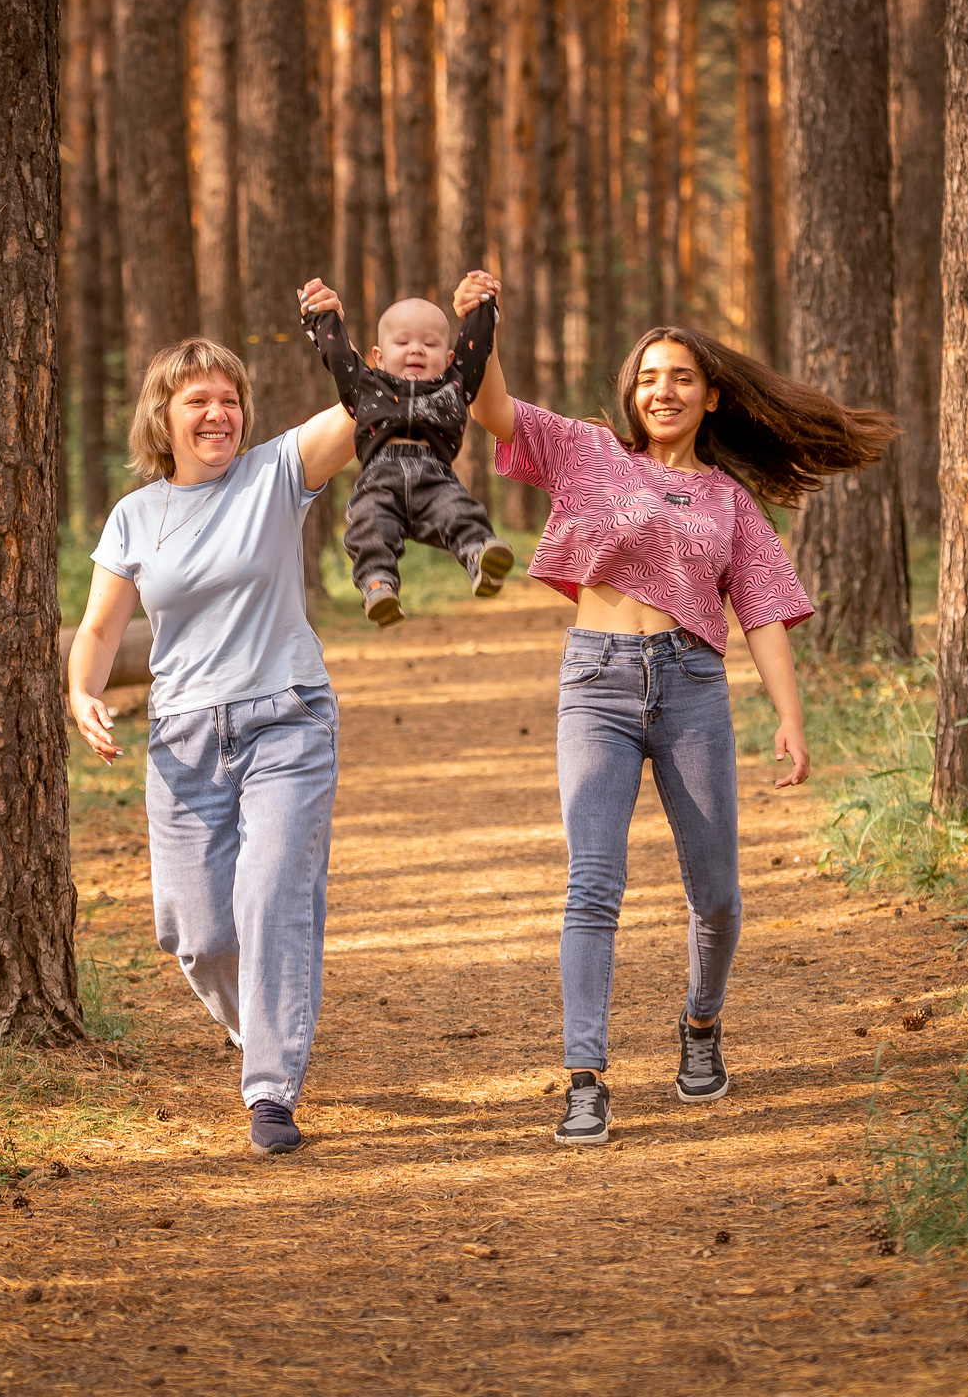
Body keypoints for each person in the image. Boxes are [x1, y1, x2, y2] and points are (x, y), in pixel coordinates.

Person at [452, 268, 898, 1146]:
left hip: (692, 690)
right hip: (597, 684)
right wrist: (482, 325)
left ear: (712, 397)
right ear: (631, 393)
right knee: (592, 885)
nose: (664, 390)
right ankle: (585, 1079)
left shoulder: (732, 502)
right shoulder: (586, 451)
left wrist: (791, 719)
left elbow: (764, 614)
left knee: (719, 897)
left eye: (682, 377)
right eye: (650, 377)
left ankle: (700, 1024)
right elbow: (491, 409)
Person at [67, 305, 359, 1157]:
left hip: (286, 719)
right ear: (164, 416)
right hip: (183, 739)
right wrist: (82, 693)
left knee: (272, 900)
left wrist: (346, 338)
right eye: (197, 400)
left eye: (229, 399)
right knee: (194, 934)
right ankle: (256, 1027)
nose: (217, 415)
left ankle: (270, 1086)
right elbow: (97, 629)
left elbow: (360, 411)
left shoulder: (276, 473)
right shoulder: (135, 515)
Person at [303, 291, 516, 625]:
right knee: (368, 524)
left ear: (447, 360)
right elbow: (338, 353)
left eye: (429, 344)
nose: (416, 349)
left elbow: (476, 349)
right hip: (379, 477)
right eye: (402, 342)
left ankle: (480, 556)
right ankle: (378, 585)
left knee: (459, 511)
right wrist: (320, 313)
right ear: (379, 356)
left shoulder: (454, 385)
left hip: (435, 478)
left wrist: (484, 306)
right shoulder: (366, 385)